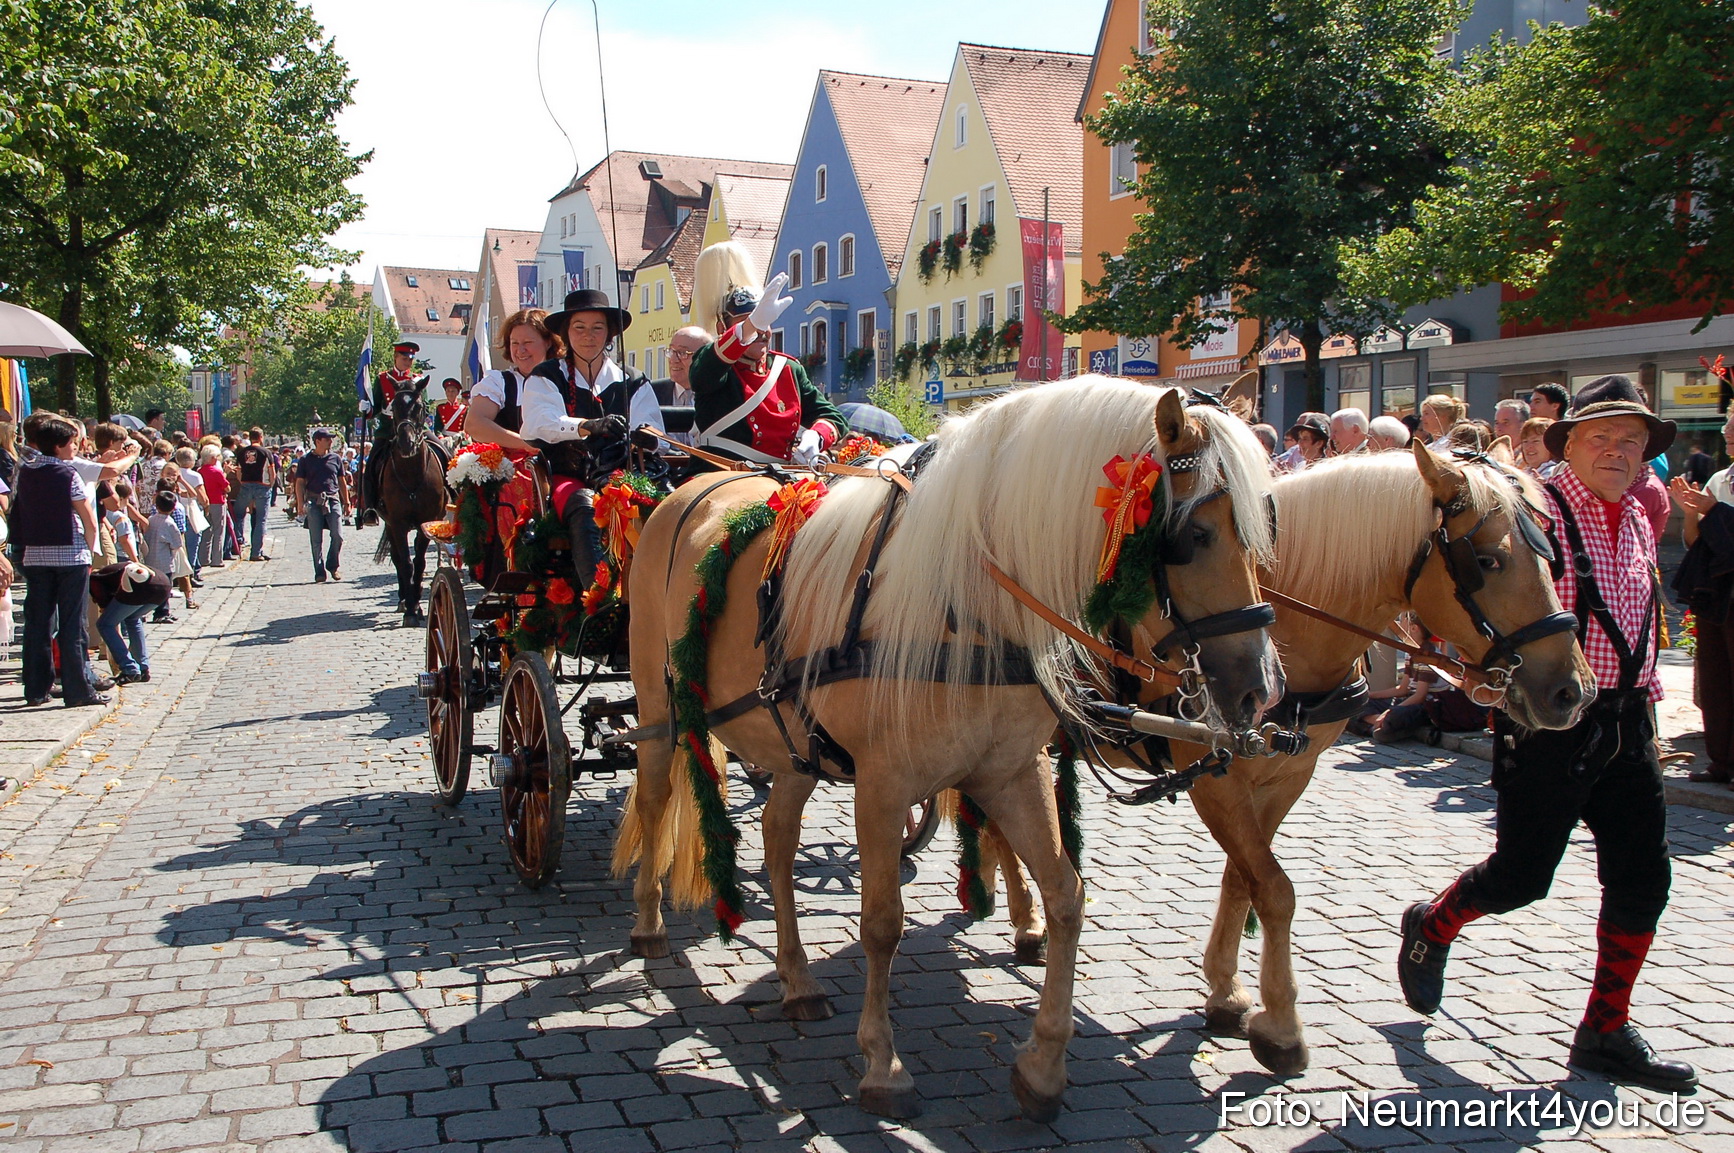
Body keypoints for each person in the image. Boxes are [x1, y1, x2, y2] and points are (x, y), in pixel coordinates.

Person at [1396, 388, 1694, 1092]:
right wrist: (1464, 674)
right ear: (1568, 442)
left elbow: (1639, 617)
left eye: (1634, 439)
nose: (1621, 451)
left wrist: (1648, 702)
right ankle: (1432, 923)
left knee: (1644, 877)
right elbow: (1461, 591)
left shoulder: (1640, 516)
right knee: (1522, 877)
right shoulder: (1532, 508)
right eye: (1604, 437)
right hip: (1549, 723)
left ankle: (1604, 1030)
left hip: (1626, 719)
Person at [522, 288, 665, 588]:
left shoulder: (633, 380)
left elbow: (655, 432)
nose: (589, 336)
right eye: (580, 328)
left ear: (609, 334)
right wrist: (589, 425)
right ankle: (598, 597)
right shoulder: (546, 376)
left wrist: (644, 437)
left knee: (665, 502)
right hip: (567, 475)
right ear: (566, 333)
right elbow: (540, 423)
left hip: (624, 472)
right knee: (584, 503)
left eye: (597, 328)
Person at [689, 272, 844, 470]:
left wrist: (817, 435)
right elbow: (702, 375)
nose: (761, 331)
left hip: (781, 475)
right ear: (723, 328)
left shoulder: (789, 368)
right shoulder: (715, 363)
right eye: (751, 322)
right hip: (719, 472)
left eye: (766, 321)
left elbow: (833, 417)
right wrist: (751, 326)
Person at [11, 415, 105, 708]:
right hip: (70, 554)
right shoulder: (68, 474)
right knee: (72, 623)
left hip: (36, 553)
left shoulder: (24, 471)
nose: (75, 448)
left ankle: (36, 688)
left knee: (37, 622)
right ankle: (78, 689)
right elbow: (88, 518)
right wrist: (89, 550)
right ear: (61, 446)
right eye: (72, 443)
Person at [1669, 405, 1734, 785]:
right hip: (1718, 596)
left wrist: (1716, 511)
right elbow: (1697, 543)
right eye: (1727, 432)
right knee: (1715, 678)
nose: (1728, 438)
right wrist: (1691, 513)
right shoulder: (1721, 479)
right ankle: (1721, 760)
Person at [465, 308, 554, 455]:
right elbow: (474, 424)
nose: (520, 350)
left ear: (548, 343)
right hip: (511, 472)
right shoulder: (498, 382)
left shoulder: (565, 379)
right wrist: (525, 444)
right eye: (514, 343)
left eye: (528, 342)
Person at [358, 339, 424, 525]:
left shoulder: (418, 380)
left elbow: (422, 407)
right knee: (370, 466)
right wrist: (367, 409)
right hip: (388, 431)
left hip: (415, 430)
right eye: (404, 358)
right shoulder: (382, 379)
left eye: (410, 359)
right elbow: (376, 407)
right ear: (395, 357)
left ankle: (448, 496)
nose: (408, 362)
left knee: (442, 453)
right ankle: (370, 507)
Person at [91, 561, 170, 684]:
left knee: (104, 624)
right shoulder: (109, 573)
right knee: (132, 618)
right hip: (163, 585)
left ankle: (129, 669)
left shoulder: (94, 580)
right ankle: (143, 668)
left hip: (139, 585)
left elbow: (106, 611)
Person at [296, 428, 350, 583]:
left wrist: (346, 502)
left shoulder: (335, 459)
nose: (330, 442)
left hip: (332, 499)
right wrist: (300, 504)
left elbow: (342, 481)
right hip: (313, 501)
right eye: (327, 439)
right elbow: (299, 482)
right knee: (316, 539)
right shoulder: (305, 460)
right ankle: (319, 571)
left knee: (338, 535)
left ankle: (333, 565)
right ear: (318, 441)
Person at [144, 489, 197, 613]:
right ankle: (162, 612)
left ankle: (146, 611)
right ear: (173, 508)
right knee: (165, 587)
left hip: (149, 559)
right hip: (164, 562)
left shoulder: (150, 520)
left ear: (156, 506)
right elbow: (177, 544)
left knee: (150, 586)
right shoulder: (170, 524)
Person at [234, 427, 274, 560]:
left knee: (239, 515)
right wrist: (270, 485)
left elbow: (238, 472)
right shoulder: (266, 452)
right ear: (261, 437)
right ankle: (256, 551)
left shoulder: (242, 452)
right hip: (262, 486)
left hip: (246, 485)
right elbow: (271, 472)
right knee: (260, 520)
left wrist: (243, 483)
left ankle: (238, 542)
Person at [196, 444, 229, 570]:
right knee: (218, 531)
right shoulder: (217, 472)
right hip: (217, 503)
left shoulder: (199, 471)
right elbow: (227, 487)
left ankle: (204, 558)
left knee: (206, 532)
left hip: (204, 503)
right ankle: (217, 559)